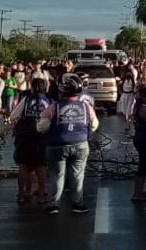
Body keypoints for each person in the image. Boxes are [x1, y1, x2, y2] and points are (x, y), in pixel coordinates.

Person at [38, 73, 97, 215]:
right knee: (77, 175)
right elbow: (94, 124)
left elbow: (41, 127)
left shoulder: (54, 107)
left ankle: (53, 205)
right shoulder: (86, 106)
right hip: (80, 144)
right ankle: (78, 204)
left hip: (57, 145)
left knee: (57, 175)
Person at [9, 78, 51, 207]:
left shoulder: (26, 99)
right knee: (41, 166)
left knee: (24, 165)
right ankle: (40, 196)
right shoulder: (49, 101)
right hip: (42, 136)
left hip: (26, 136)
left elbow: (13, 116)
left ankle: (22, 194)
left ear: (32, 87)